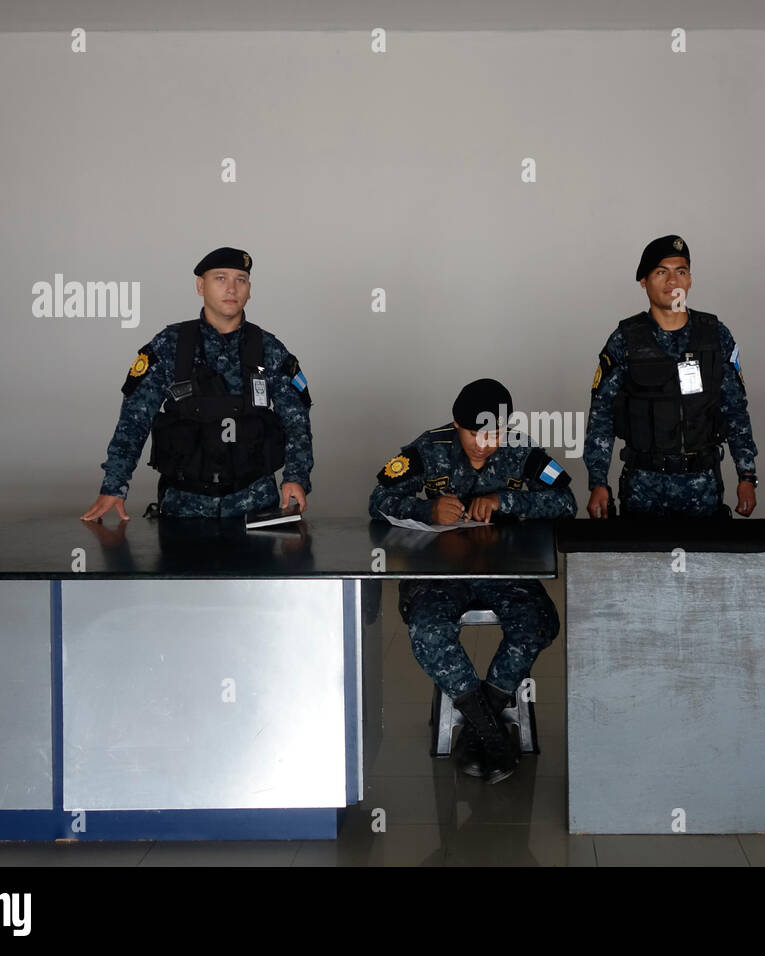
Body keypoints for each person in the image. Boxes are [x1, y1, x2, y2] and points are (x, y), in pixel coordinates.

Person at [369, 379, 576, 783]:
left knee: (536, 622)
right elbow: (378, 501)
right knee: (427, 630)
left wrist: (505, 501)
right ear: (454, 423)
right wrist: (427, 509)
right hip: (439, 575)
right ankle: (493, 733)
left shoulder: (521, 450)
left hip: (504, 573)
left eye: (492, 434)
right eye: (472, 433)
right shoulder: (429, 449)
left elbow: (565, 503)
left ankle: (483, 726)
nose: (483, 444)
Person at [81, 247, 314, 521]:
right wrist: (114, 485)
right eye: (220, 278)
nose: (231, 288)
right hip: (183, 507)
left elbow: (296, 422)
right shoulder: (170, 345)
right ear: (200, 286)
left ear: (249, 290)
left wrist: (296, 477)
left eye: (240, 279)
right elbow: (134, 421)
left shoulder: (268, 349)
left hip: (255, 507)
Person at [584, 234, 758, 519]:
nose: (672, 281)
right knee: (641, 563)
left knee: (706, 563)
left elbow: (736, 410)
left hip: (703, 488)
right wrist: (598, 482)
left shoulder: (715, 335)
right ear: (644, 281)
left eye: (681, 272)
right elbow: (600, 417)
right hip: (643, 488)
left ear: (690, 280)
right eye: (661, 272)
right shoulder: (625, 340)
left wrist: (747, 476)